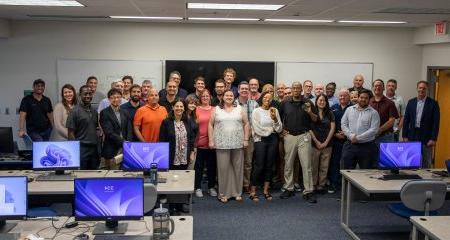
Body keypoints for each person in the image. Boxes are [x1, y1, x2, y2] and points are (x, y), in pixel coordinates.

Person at [278, 81, 318, 203]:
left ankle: (308, 191)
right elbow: (278, 119)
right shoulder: (285, 102)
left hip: (304, 136)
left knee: (306, 165)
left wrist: (309, 112)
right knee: (288, 163)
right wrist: (280, 132)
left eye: (298, 88)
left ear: (301, 90)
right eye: (294, 88)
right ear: (292, 89)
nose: (295, 90)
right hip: (289, 136)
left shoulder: (308, 102)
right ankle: (288, 188)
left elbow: (315, 119)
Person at [208, 90, 250, 203]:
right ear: (223, 97)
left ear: (234, 97)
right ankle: (223, 194)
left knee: (237, 168)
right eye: (227, 95)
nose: (229, 97)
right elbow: (210, 125)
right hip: (221, 144)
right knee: (223, 169)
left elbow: (246, 123)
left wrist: (246, 139)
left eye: (231, 95)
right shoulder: (216, 109)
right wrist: (211, 140)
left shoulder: (240, 109)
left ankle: (237, 193)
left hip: (238, 143)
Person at [249, 91, 282, 202]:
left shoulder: (274, 110)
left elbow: (279, 129)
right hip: (260, 140)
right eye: (265, 97)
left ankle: (266, 190)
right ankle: (253, 191)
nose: (267, 99)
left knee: (269, 166)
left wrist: (275, 119)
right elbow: (257, 129)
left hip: (273, 140)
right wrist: (270, 130)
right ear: (262, 98)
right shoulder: (256, 111)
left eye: (270, 98)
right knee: (259, 166)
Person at [402, 81, 440, 168]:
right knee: (411, 160)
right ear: (417, 88)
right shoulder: (411, 102)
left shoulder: (433, 104)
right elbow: (406, 120)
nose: (421, 90)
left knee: (426, 161)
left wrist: (433, 138)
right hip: (412, 135)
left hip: (426, 137)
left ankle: (426, 180)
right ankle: (412, 178)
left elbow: (436, 123)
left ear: (427, 90)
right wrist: (404, 136)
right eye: (420, 88)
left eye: (424, 88)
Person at [341, 89, 380, 169]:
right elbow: (343, 124)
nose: (363, 99)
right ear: (358, 97)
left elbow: (374, 129)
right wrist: (351, 136)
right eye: (361, 97)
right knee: (347, 171)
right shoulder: (349, 110)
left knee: (366, 172)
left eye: (366, 98)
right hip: (350, 145)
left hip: (367, 147)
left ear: (369, 100)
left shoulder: (374, 113)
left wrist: (358, 138)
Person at [234, 81, 259, 194]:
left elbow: (256, 122)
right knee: (235, 163)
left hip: (250, 138)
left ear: (248, 90)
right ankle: (235, 184)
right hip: (235, 138)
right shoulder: (232, 103)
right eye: (242, 88)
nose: (244, 90)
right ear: (238, 90)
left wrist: (247, 135)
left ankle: (245, 184)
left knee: (248, 163)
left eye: (246, 89)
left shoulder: (254, 104)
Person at [67, 85, 99, 170]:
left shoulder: (94, 111)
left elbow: (95, 128)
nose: (88, 96)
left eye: (90, 94)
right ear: (80, 95)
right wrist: (75, 150)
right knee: (81, 174)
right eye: (85, 94)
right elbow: (70, 133)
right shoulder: (74, 111)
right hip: (81, 148)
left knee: (94, 174)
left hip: (94, 148)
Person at [99, 88, 133, 170]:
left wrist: (128, 142)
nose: (116, 99)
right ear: (109, 99)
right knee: (112, 174)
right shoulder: (104, 113)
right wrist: (124, 142)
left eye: (118, 97)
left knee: (125, 173)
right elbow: (109, 132)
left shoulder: (125, 112)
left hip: (125, 148)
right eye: (113, 97)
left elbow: (129, 129)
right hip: (111, 148)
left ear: (121, 98)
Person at [159, 100, 196, 170]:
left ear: (184, 108)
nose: (179, 108)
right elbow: (162, 140)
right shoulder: (166, 122)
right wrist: (163, 157)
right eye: (177, 106)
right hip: (170, 158)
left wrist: (192, 152)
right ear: (173, 107)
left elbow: (191, 138)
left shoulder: (188, 121)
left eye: (181, 106)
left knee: (182, 178)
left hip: (185, 157)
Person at [310, 94, 335, 193]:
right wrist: (316, 142)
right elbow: (309, 129)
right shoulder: (312, 113)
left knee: (324, 166)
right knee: (313, 166)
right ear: (316, 102)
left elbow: (332, 128)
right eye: (320, 100)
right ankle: (313, 185)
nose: (322, 102)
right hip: (314, 144)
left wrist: (325, 142)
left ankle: (321, 185)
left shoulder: (330, 113)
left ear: (326, 102)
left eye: (324, 100)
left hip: (327, 144)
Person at [194, 90, 217, 198]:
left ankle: (211, 187)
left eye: (207, 96)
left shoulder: (215, 109)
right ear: (200, 97)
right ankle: (198, 187)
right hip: (199, 143)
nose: (205, 97)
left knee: (211, 167)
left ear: (210, 97)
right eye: (203, 96)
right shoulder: (196, 109)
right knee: (198, 167)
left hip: (212, 143)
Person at [328, 89, 352, 193]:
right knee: (334, 162)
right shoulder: (333, 108)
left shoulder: (353, 108)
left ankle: (346, 185)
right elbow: (328, 124)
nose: (342, 97)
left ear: (349, 97)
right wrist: (334, 134)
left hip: (348, 140)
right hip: (335, 140)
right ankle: (334, 183)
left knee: (348, 163)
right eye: (340, 96)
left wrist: (346, 135)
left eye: (344, 96)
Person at [369, 79, 399, 147]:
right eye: (375, 86)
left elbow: (392, 120)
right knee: (372, 157)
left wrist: (379, 130)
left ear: (383, 88)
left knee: (385, 157)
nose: (377, 87)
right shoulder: (369, 102)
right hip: (370, 137)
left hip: (386, 137)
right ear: (373, 88)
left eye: (379, 86)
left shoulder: (390, 103)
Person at [185, 95, 199, 170]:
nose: (193, 105)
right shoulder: (183, 116)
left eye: (194, 104)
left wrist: (193, 150)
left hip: (193, 147)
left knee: (190, 169)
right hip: (185, 147)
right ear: (186, 104)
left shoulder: (194, 116)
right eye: (190, 103)